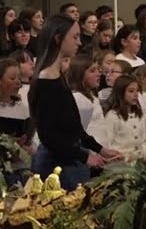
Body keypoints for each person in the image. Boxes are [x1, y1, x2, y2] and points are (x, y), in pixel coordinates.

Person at [28, 14, 121, 190]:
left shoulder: (58, 76)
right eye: (75, 36)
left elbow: (73, 127)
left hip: (70, 162)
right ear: (58, 38)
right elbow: (49, 135)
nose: (79, 42)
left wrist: (99, 149)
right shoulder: (46, 80)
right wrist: (84, 156)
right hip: (56, 167)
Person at [96, 75, 146, 160]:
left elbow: (143, 140)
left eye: (137, 91)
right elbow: (107, 144)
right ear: (120, 93)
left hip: (140, 162)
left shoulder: (139, 114)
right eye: (131, 91)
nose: (136, 94)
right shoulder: (113, 116)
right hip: (121, 164)